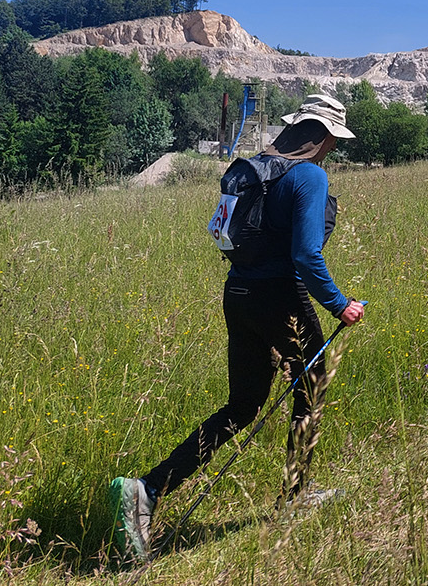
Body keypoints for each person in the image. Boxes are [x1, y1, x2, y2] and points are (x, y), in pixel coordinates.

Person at [111, 94, 366, 560]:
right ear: (325, 136)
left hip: (239, 293)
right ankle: (294, 500)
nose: (334, 147)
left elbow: (225, 235)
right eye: (334, 139)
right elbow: (306, 255)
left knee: (243, 406)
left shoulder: (253, 169)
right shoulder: (309, 175)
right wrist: (339, 305)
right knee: (311, 392)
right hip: (281, 297)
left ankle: (147, 489)